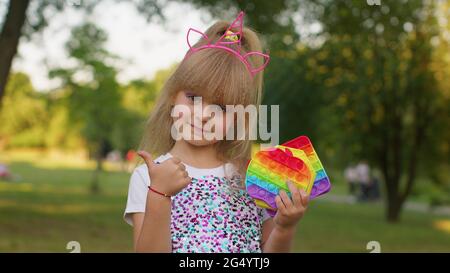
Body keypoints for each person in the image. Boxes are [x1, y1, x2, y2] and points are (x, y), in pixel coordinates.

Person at [123, 11, 309, 253]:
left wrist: (284, 228)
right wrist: (159, 194)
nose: (202, 115)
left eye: (221, 108)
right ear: (173, 96)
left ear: (238, 118)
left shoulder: (252, 178)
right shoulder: (149, 177)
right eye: (193, 98)